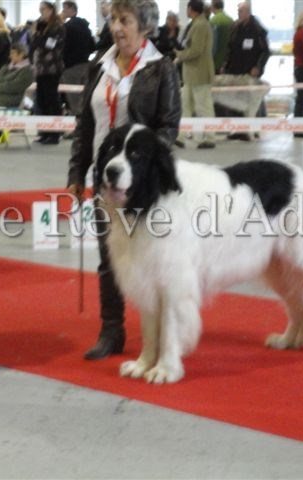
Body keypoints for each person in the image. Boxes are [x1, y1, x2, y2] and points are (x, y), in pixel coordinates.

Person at [66, 0, 181, 360]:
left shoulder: (161, 68)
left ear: (144, 27)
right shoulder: (98, 65)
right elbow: (85, 126)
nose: (116, 27)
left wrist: (141, 164)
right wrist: (77, 172)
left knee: (152, 258)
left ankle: (160, 331)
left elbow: (169, 127)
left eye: (125, 20)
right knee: (109, 257)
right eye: (114, 19)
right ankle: (111, 330)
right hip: (105, 180)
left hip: (143, 185)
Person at [222, 1, 271, 140]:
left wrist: (258, 67)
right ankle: (238, 130)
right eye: (238, 11)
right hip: (234, 71)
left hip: (250, 72)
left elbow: (266, 51)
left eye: (241, 11)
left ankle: (253, 130)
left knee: (252, 102)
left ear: (248, 12)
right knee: (234, 100)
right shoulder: (235, 27)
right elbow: (229, 48)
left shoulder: (258, 29)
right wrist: (225, 65)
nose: (239, 14)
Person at [174, 0, 216, 149]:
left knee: (203, 107)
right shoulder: (195, 24)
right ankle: (181, 136)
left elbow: (196, 50)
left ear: (191, 9)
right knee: (185, 106)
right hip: (191, 74)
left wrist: (179, 55)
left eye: (187, 8)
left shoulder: (200, 25)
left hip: (200, 74)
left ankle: (210, 137)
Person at [0, 44, 34, 150]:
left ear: (21, 55)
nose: (10, 56)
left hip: (14, 99)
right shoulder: (6, 67)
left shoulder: (27, 71)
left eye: (13, 53)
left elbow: (15, 87)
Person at [31, 1, 66, 145]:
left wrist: (36, 35)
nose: (41, 12)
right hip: (41, 69)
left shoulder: (57, 27)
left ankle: (55, 133)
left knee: (52, 100)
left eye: (43, 9)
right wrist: (37, 35)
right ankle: (45, 132)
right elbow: (35, 44)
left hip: (52, 69)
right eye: (40, 9)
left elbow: (49, 45)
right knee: (42, 100)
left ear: (51, 10)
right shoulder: (43, 26)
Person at [60, 1, 95, 116]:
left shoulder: (66, 27)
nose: (62, 12)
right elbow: (93, 46)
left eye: (64, 9)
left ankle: (77, 122)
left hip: (70, 67)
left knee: (73, 100)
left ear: (71, 9)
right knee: (85, 97)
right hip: (85, 65)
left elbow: (61, 47)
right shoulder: (85, 27)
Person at [210, 0, 234, 74]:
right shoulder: (231, 20)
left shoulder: (213, 21)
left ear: (213, 7)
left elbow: (212, 44)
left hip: (215, 62)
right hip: (228, 62)